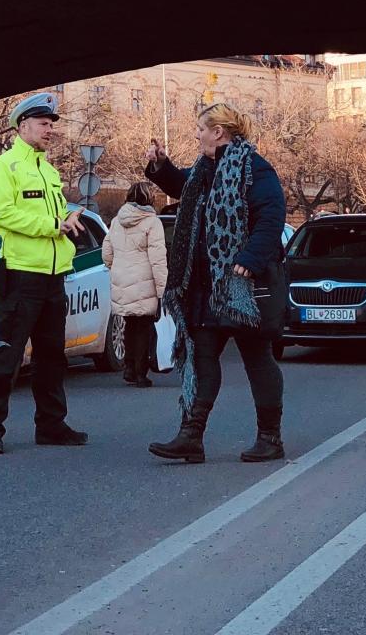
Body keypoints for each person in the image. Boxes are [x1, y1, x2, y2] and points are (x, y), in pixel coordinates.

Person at [145, 101, 287, 465]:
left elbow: (271, 218)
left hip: (242, 287)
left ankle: (270, 438)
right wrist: (161, 166)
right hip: (205, 287)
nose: (196, 135)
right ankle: (191, 436)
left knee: (257, 358)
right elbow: (182, 185)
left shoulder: (255, 169)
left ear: (218, 132)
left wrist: (249, 260)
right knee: (201, 357)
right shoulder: (204, 171)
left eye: (200, 129)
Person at [0, 92, 89, 456]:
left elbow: (50, 217)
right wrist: (53, 224)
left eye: (52, 124)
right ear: (22, 126)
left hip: (53, 278)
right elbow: (3, 216)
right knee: (5, 355)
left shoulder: (48, 169)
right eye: (43, 124)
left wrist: (67, 220)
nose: (49, 130)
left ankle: (51, 425)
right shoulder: (5, 168)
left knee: (52, 357)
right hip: (21, 277)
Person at [102, 179, 168, 387]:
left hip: (122, 279)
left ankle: (129, 367)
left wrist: (118, 267)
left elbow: (106, 253)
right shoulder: (152, 223)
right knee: (144, 326)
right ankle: (140, 371)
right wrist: (162, 289)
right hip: (144, 280)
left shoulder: (116, 221)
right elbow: (158, 259)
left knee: (130, 324)